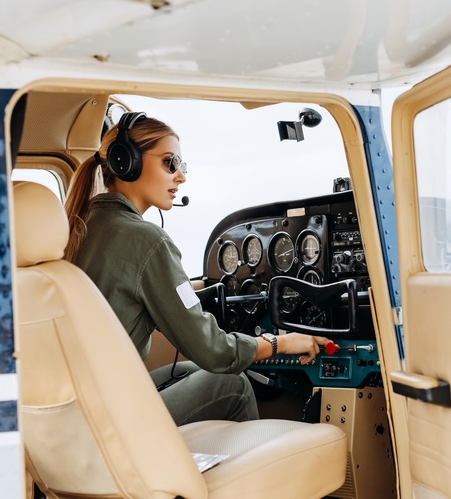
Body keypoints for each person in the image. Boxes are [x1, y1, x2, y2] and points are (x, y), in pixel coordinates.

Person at [64, 112, 329, 426]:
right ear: (127, 162)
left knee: (191, 372)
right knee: (232, 384)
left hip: (79, 410)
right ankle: (236, 475)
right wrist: (281, 343)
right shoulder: (145, 241)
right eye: (170, 163)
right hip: (108, 421)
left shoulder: (82, 226)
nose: (181, 177)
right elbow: (215, 353)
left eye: (181, 166)